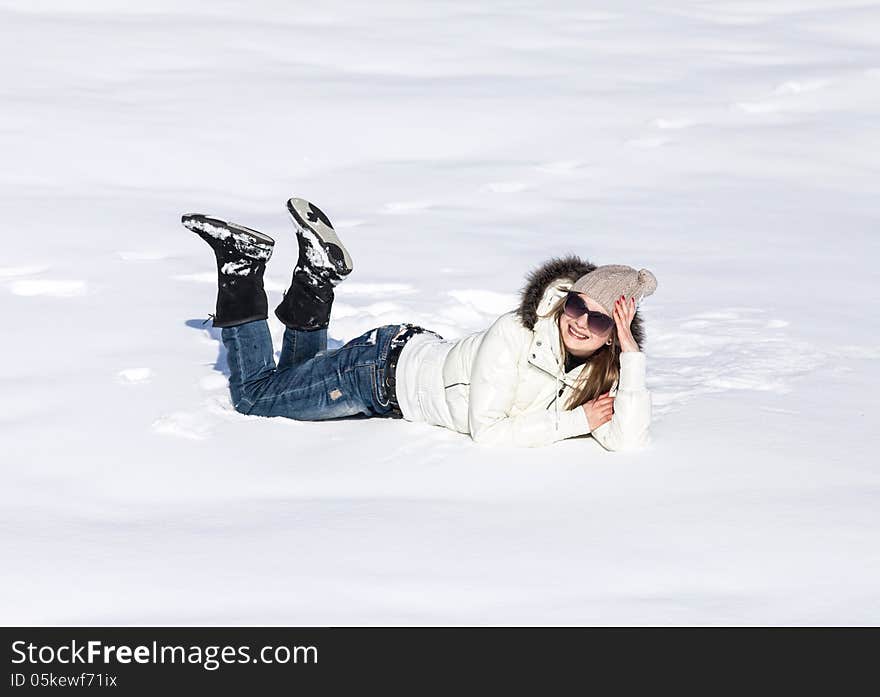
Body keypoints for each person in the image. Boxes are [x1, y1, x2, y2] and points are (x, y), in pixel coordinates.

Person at [182, 198, 657, 450]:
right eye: (576, 306)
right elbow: (488, 433)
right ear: (566, 300)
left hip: (398, 362)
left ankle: (316, 275)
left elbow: (626, 441)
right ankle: (243, 265)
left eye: (598, 320)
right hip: (377, 374)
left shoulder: (601, 372)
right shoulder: (518, 332)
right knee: (256, 397)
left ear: (612, 333)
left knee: (290, 381)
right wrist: (575, 421)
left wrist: (631, 359)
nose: (579, 323)